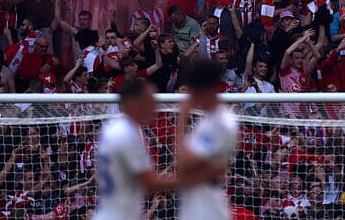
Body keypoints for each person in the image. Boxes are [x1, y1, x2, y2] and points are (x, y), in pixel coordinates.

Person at [94, 79, 180, 220]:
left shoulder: (118, 128)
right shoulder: (126, 134)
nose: (154, 106)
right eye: (149, 101)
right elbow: (149, 183)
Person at [176, 57, 239, 220]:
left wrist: (182, 117)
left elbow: (185, 161)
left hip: (207, 205)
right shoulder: (207, 120)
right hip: (194, 200)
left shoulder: (223, 123)